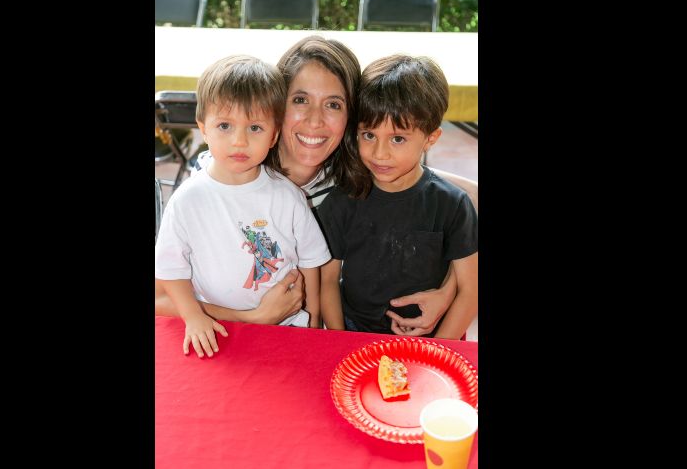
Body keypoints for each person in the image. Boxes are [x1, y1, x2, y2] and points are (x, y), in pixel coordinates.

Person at [156, 36, 478, 336]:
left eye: (333, 104)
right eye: (300, 100)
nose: (315, 121)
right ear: (274, 107)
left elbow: (436, 194)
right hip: (226, 334)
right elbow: (161, 298)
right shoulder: (221, 176)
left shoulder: (352, 175)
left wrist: (449, 290)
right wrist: (253, 317)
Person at [155, 55, 331, 358]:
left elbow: (310, 262)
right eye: (225, 125)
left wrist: (313, 322)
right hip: (218, 330)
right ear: (203, 128)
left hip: (287, 327)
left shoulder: (288, 196)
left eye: (255, 128)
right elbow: (170, 269)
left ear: (274, 134)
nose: (239, 141)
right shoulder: (187, 200)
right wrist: (194, 316)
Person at [318, 55, 478, 339]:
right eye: (369, 135)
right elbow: (328, 280)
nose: (380, 153)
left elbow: (470, 290)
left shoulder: (452, 205)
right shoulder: (341, 201)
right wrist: (340, 341)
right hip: (355, 334)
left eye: (398, 139)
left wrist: (436, 351)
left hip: (431, 338)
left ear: (430, 138)